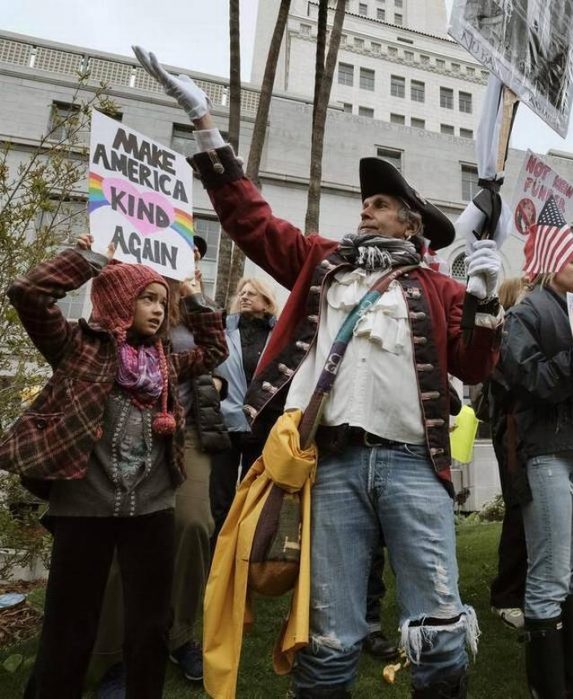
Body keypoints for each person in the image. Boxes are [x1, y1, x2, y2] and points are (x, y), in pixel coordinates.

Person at [134, 47, 503, 697]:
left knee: (439, 630)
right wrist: (203, 124)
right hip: (328, 464)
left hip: (415, 464)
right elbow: (251, 221)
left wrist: (484, 301)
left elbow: (474, 363)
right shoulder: (324, 261)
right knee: (329, 634)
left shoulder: (439, 286)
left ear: (412, 223)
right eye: (366, 201)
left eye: (381, 202)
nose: (365, 208)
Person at [4, 234, 225, 697]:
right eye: (148, 298)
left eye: (162, 301)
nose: (159, 309)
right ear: (119, 297)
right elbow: (28, 293)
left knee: (149, 627)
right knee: (70, 628)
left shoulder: (164, 361)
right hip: (84, 506)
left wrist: (193, 293)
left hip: (152, 508)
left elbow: (214, 351)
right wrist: (89, 259)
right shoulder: (77, 345)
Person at [91, 238, 230, 692]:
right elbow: (97, 339)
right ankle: (115, 655)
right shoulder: (126, 294)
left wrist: (193, 296)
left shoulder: (194, 305)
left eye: (191, 250)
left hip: (184, 432)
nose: (184, 257)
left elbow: (215, 355)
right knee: (121, 538)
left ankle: (180, 634)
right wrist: (99, 264)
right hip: (128, 429)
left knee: (193, 525)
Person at [500, 250, 573, 698]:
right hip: (545, 451)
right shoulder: (526, 312)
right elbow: (531, 380)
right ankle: (547, 690)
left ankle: (572, 687)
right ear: (549, 262)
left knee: (572, 574)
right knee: (548, 575)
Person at [210, 277, 278, 542]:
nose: (245, 296)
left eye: (252, 293)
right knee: (219, 499)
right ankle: (214, 558)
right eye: (242, 293)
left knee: (252, 498)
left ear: (266, 302)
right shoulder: (221, 330)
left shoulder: (279, 336)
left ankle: (243, 557)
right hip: (225, 423)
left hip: (262, 425)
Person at [485, 276, 529, 631]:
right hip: (512, 432)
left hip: (527, 432)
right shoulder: (504, 334)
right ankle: (507, 594)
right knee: (517, 509)